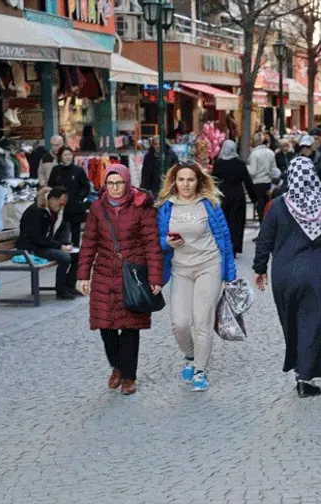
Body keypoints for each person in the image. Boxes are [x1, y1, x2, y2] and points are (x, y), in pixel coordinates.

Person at [252, 156, 321, 398]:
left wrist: (259, 269)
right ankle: (305, 376)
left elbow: (264, 240)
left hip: (284, 275)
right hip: (316, 275)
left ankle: (301, 368)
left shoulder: (278, 205)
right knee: (314, 323)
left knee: (292, 322)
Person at [77, 165, 163, 396]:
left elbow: (152, 245)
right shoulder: (97, 208)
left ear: (127, 183)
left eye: (119, 183)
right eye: (110, 183)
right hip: (105, 273)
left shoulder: (141, 207)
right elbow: (88, 244)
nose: (115, 188)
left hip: (132, 275)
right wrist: (83, 275)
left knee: (130, 328)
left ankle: (128, 377)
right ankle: (116, 366)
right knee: (105, 326)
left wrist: (155, 277)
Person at [157, 162, 236, 392]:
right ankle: (191, 355)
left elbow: (225, 239)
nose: (185, 184)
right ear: (174, 181)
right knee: (179, 323)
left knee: (202, 320)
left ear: (198, 181)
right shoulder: (165, 207)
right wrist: (166, 243)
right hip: (180, 269)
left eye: (190, 180)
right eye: (181, 180)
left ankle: (200, 370)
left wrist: (229, 275)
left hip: (208, 266)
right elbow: (157, 239)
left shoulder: (209, 205)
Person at [16, 187, 79, 300]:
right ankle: (61, 290)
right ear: (52, 199)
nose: (62, 207)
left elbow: (61, 231)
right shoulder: (36, 211)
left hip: (43, 245)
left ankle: (70, 286)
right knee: (64, 257)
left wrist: (66, 244)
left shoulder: (54, 211)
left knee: (79, 254)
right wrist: (60, 246)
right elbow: (37, 237)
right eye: (60, 204)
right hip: (32, 248)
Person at [212, 142, 256, 255]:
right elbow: (248, 181)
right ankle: (235, 246)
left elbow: (213, 181)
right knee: (237, 221)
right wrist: (254, 198)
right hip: (238, 195)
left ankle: (224, 246)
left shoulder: (219, 163)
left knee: (224, 221)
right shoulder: (240, 163)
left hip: (223, 195)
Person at [47, 146, 90, 247]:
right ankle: (59, 249)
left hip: (75, 206)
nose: (68, 157)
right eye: (65, 155)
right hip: (59, 207)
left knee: (75, 232)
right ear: (60, 157)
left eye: (70, 154)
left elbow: (86, 187)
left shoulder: (78, 170)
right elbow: (51, 186)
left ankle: (75, 253)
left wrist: (79, 198)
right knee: (59, 230)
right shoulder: (56, 170)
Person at [246, 134, 277, 222]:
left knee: (260, 206)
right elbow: (274, 170)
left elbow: (253, 171)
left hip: (257, 183)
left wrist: (246, 167)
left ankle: (262, 226)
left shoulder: (254, 154)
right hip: (268, 182)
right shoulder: (271, 152)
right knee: (267, 205)